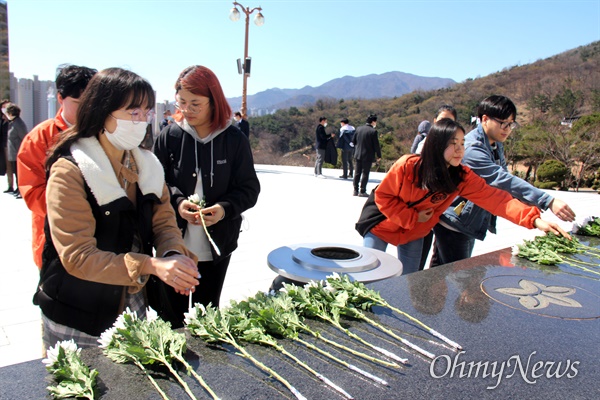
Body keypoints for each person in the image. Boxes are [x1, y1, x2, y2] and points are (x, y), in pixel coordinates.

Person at [33, 68, 199, 350]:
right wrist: (151, 264)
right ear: (102, 112)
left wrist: (173, 257)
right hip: (77, 311)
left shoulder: (146, 164)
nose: (141, 121)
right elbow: (78, 256)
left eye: (146, 112)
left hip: (130, 299)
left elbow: (164, 222)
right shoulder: (71, 170)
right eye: (132, 112)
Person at [355, 118, 570, 275]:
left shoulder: (462, 177)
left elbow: (497, 199)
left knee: (407, 277)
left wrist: (535, 220)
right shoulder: (408, 166)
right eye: (452, 144)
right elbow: (384, 198)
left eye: (461, 144)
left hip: (414, 231)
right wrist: (413, 217)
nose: (459, 150)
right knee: (369, 271)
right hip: (382, 222)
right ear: (437, 145)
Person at [153, 65, 260, 328]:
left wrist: (224, 209)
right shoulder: (170, 134)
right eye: (182, 103)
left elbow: (249, 188)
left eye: (195, 104)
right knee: (171, 317)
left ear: (214, 101)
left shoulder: (234, 138)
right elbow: (155, 181)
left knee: (206, 316)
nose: (187, 110)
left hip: (217, 244)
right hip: (174, 241)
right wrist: (177, 203)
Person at [430, 95, 576, 267]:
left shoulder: (495, 143)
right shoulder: (471, 149)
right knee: (459, 274)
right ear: (484, 119)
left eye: (511, 124)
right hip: (456, 222)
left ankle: (426, 293)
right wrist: (547, 200)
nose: (507, 129)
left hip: (466, 219)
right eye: (503, 123)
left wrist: (531, 213)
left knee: (440, 270)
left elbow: (504, 187)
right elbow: (502, 180)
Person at [17, 65, 97, 269]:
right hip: (55, 238)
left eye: (92, 103)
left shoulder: (103, 132)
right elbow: (33, 192)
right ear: (60, 98)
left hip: (99, 239)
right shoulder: (39, 138)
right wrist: (79, 208)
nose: (86, 110)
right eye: (79, 103)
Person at [415, 105, 458, 271]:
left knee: (439, 254)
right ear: (434, 122)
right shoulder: (424, 145)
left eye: (450, 121)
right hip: (422, 208)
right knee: (418, 253)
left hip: (443, 209)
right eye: (442, 120)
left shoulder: (457, 147)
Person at [352, 113, 381, 196]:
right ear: (373, 122)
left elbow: (353, 141)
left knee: (357, 172)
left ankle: (355, 190)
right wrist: (379, 155)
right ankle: (362, 190)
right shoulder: (373, 131)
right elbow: (376, 145)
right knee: (365, 173)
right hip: (367, 155)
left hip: (357, 154)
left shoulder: (358, 129)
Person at [5, 104, 28, 199]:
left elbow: (24, 137)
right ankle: (18, 188)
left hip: (18, 152)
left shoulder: (18, 124)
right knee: (15, 172)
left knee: (19, 173)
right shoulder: (13, 123)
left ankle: (21, 190)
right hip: (13, 153)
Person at [0, 99, 10, 180]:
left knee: (9, 165)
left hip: (8, 145)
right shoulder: (2, 119)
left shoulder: (11, 119)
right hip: (3, 144)